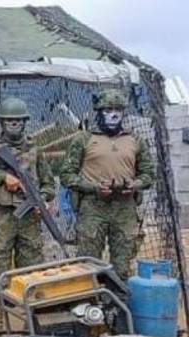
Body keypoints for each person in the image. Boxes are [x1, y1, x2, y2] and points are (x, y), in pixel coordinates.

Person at [0, 97, 54, 326]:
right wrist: (2, 177)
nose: (14, 124)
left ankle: (31, 319)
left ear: (25, 122)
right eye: (9, 121)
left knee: (32, 269)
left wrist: (44, 200)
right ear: (1, 123)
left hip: (29, 218)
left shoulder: (34, 149)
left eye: (18, 120)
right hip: (0, 216)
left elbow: (48, 184)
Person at [61, 88, 154, 280]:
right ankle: (88, 306)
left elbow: (149, 174)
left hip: (125, 208)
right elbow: (67, 175)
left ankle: (117, 303)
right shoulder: (84, 139)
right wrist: (93, 187)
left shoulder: (135, 140)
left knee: (122, 266)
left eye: (118, 110)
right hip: (93, 208)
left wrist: (134, 184)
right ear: (99, 112)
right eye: (108, 109)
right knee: (88, 264)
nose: (113, 114)